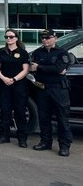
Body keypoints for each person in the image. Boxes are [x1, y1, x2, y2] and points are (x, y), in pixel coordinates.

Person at [30, 28, 73, 157]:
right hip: (43, 88)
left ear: (54, 37)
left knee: (62, 118)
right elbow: (32, 67)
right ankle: (45, 142)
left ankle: (64, 146)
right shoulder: (38, 52)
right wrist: (49, 69)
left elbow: (60, 69)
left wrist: (40, 67)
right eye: (43, 38)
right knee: (44, 117)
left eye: (47, 37)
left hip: (58, 89)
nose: (45, 40)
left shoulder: (62, 52)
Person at [0, 28, 30, 147]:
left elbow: (26, 70)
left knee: (20, 112)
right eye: (6, 37)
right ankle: (4, 135)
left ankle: (22, 138)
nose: (8, 39)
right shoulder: (1, 51)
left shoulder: (22, 52)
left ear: (16, 38)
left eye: (11, 37)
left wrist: (14, 79)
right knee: (5, 110)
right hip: (4, 84)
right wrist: (3, 78)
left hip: (19, 85)